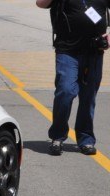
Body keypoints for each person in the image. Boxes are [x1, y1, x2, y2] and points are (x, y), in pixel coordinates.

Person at [37, 0, 108, 156]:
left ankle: (86, 139)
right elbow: (40, 3)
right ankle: (58, 136)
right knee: (65, 91)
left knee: (88, 97)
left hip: (94, 51)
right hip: (67, 50)